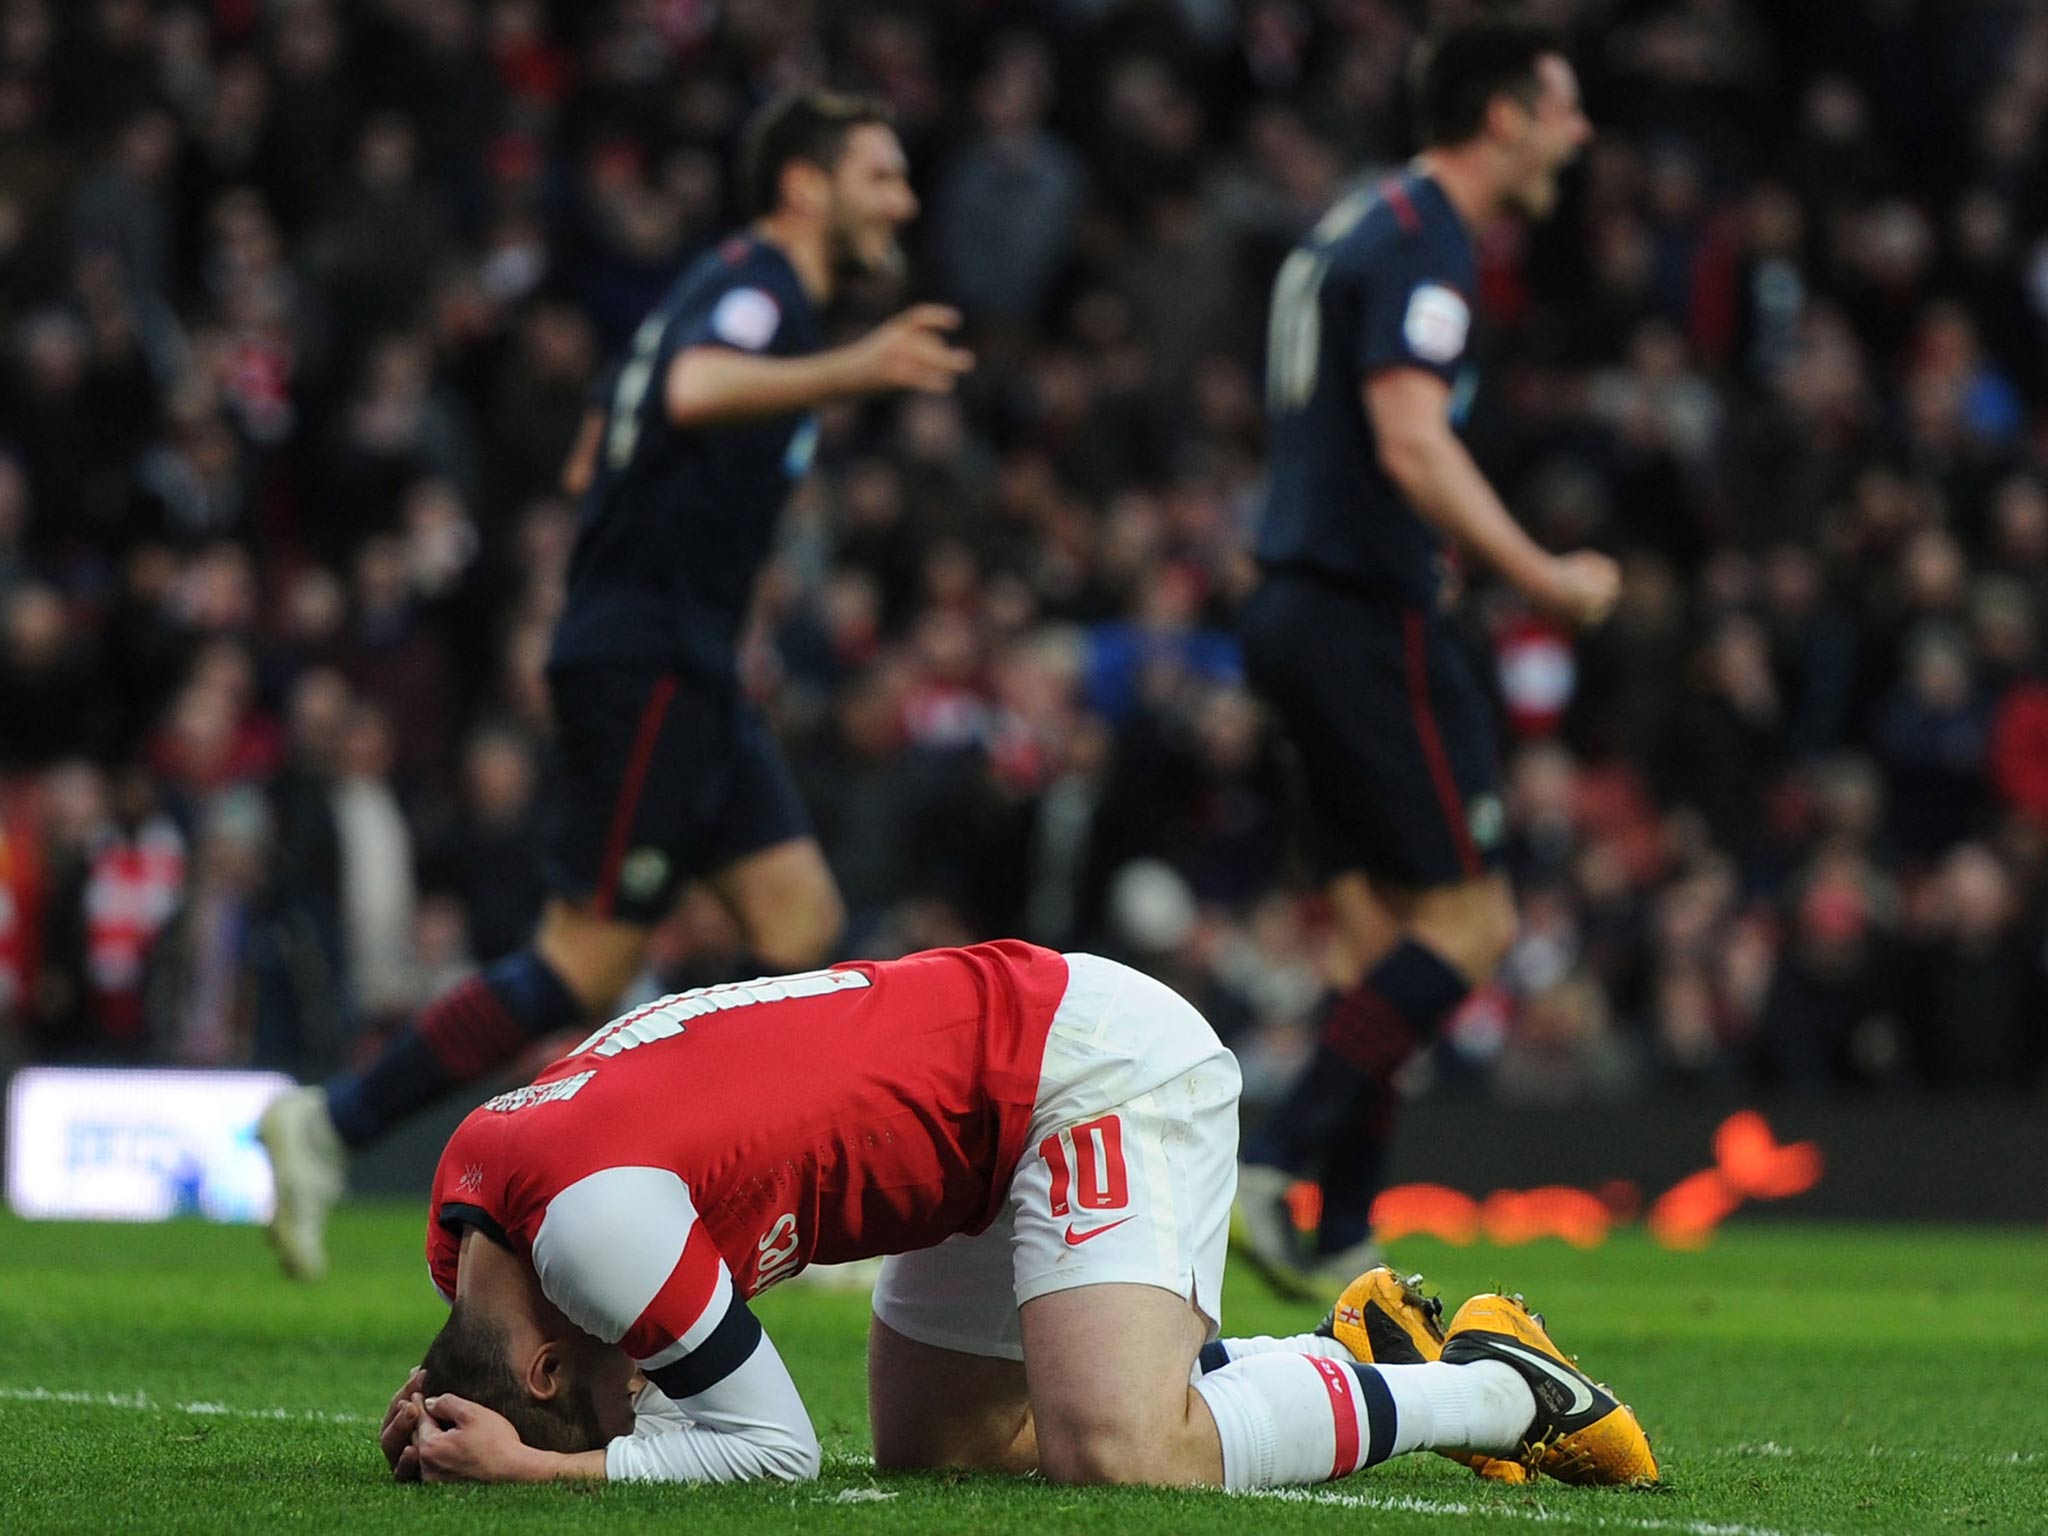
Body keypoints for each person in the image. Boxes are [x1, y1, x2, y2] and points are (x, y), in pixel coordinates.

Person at [258, 89, 975, 1279]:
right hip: (643, 660)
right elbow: (691, 391)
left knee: (802, 933)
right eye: (881, 176)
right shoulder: (762, 293)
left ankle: (801, 1210)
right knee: (581, 963)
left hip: (683, 662)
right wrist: (857, 367)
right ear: (807, 185)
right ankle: (331, 1123)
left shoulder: (729, 290)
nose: (900, 200)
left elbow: (608, 434)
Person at [377, 942, 1657, 1491]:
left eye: (604, 1391)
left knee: (1118, 1452)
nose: (637, 1392)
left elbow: (771, 1450)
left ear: (549, 1357)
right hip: (972, 1122)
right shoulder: (475, 1216)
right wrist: (452, 1395)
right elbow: (504, 1341)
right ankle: (1354, 1362)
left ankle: (1498, 1390)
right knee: (952, 1452)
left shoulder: (586, 1233)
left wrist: (541, 1460)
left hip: (1078, 1066)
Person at [1234, 20, 1618, 1292]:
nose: (1578, 133)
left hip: (1291, 603)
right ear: (1502, 115)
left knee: (1370, 943)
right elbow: (1407, 440)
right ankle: (1277, 1162)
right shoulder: (1423, 240)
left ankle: (1337, 1226)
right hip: (1365, 615)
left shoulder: (1350, 223)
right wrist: (1542, 575)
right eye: (1562, 108)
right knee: (1468, 918)